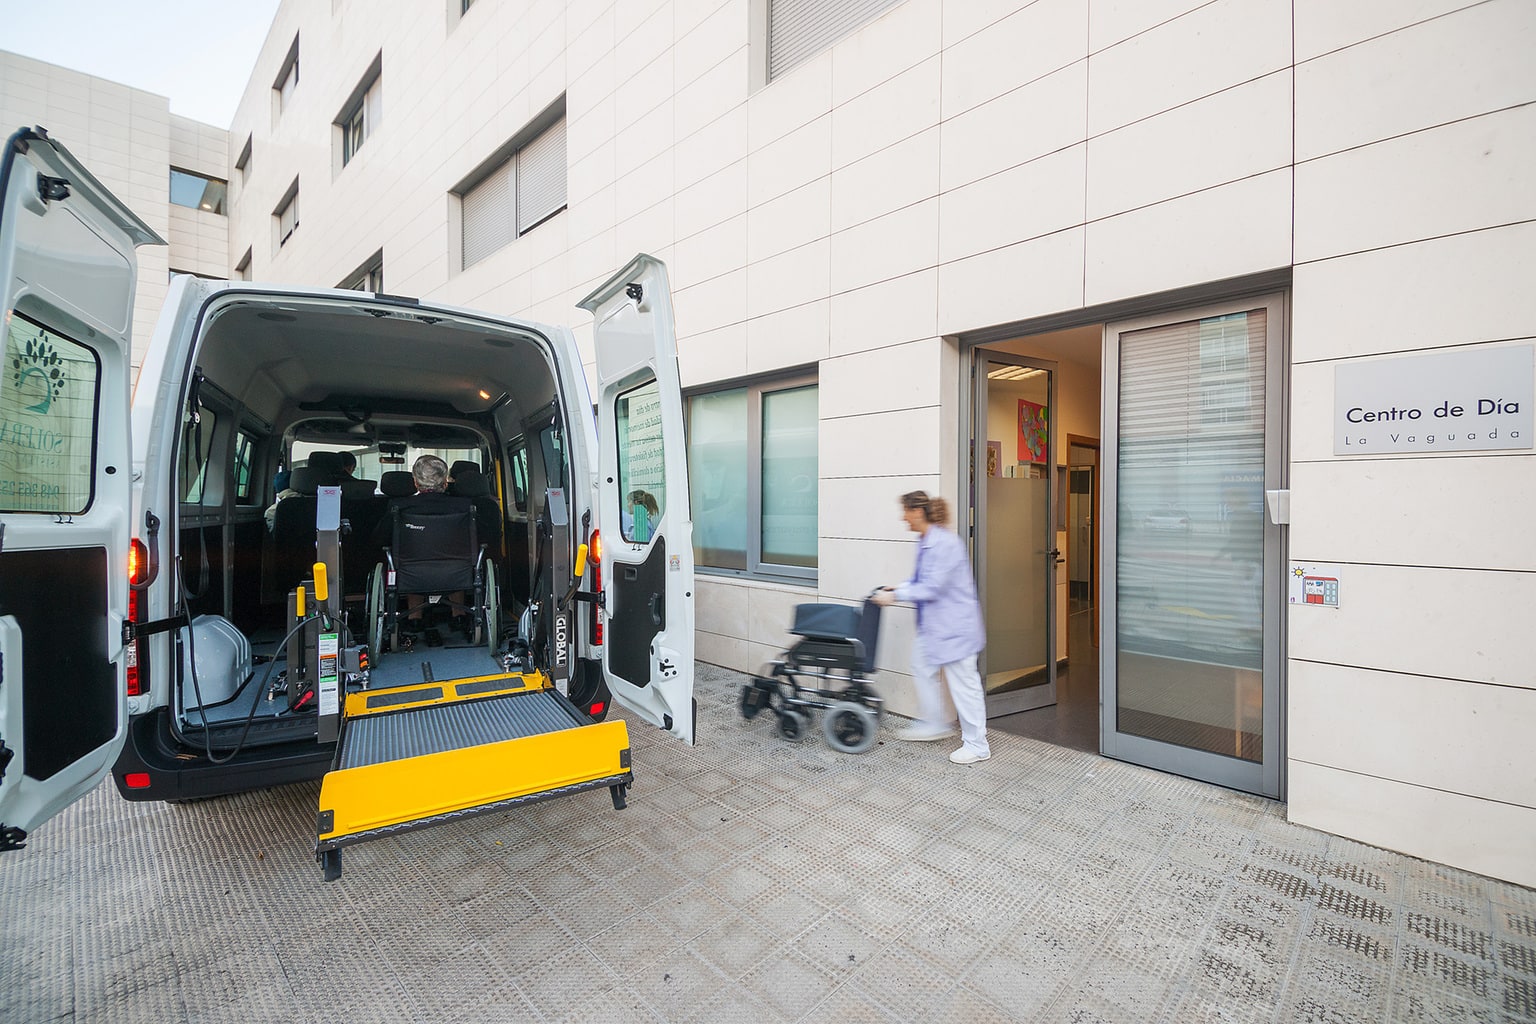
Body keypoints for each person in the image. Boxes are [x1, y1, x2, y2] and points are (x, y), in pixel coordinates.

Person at [872, 490, 990, 765]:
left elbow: (933, 586)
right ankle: (935, 722)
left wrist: (895, 596)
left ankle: (977, 744)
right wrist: (898, 587)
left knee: (965, 685)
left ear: (917, 512)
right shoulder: (925, 541)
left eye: (905, 512)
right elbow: (920, 580)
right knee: (921, 666)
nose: (903, 518)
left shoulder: (946, 544)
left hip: (955, 629)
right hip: (935, 628)